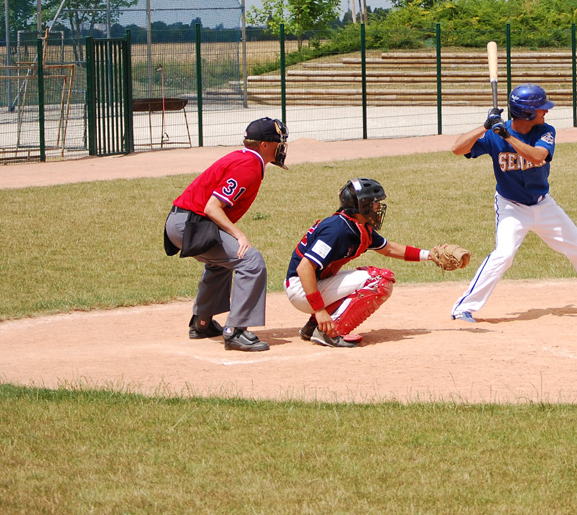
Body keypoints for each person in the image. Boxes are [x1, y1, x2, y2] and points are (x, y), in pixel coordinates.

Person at [448, 83, 577, 323]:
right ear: (528, 113)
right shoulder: (494, 134)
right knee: (504, 255)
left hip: (544, 205)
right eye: (541, 109)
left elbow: (538, 157)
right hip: (511, 207)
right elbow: (457, 149)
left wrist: (506, 135)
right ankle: (463, 308)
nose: (546, 112)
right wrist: (485, 127)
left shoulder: (544, 131)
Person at [163, 117, 289, 352]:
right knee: (251, 261)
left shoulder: (244, 159)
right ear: (264, 145)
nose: (281, 146)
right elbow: (212, 207)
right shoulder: (248, 166)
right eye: (278, 141)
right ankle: (236, 330)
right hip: (191, 224)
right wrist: (239, 234)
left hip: (186, 221)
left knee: (221, 262)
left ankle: (202, 322)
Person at [285, 178, 447, 348]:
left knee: (368, 276)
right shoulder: (337, 229)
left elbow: (389, 249)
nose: (379, 207)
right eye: (375, 202)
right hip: (302, 288)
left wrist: (429, 255)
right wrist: (319, 310)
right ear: (363, 205)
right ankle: (329, 333)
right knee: (378, 280)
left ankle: (313, 327)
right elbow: (304, 268)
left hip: (312, 284)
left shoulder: (356, 225)